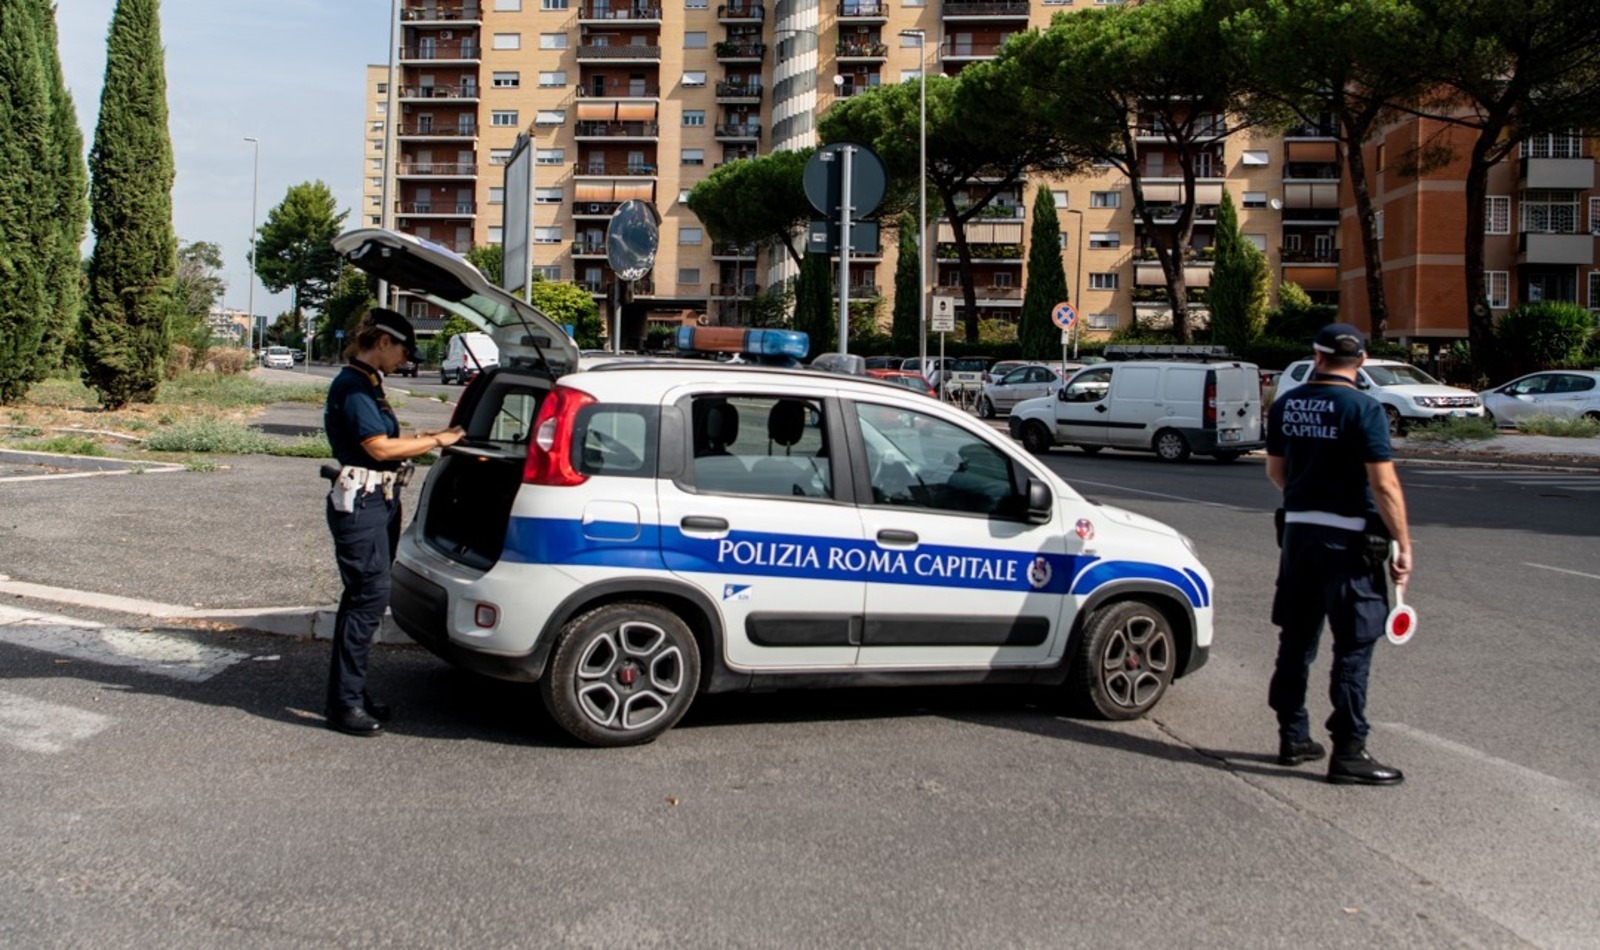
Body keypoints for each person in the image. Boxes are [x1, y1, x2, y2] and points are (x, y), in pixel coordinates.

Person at [1265, 323, 1412, 785]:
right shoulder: (1365, 409)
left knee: (1296, 640)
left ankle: (1293, 738)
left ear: (1317, 356)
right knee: (1353, 645)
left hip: (1299, 537)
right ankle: (1349, 751)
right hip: (1350, 545)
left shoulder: (1286, 404)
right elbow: (1383, 484)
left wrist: (1308, 503)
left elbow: (1275, 471)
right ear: (1363, 362)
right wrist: (1403, 544)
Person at [322, 308, 464, 736]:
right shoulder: (353, 387)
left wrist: (432, 434)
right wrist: (438, 439)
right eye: (403, 348)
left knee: (362, 600)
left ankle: (350, 693)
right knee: (368, 598)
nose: (406, 357)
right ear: (383, 342)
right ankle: (344, 704)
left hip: (377, 501)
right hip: (362, 504)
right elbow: (379, 448)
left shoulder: (369, 383)